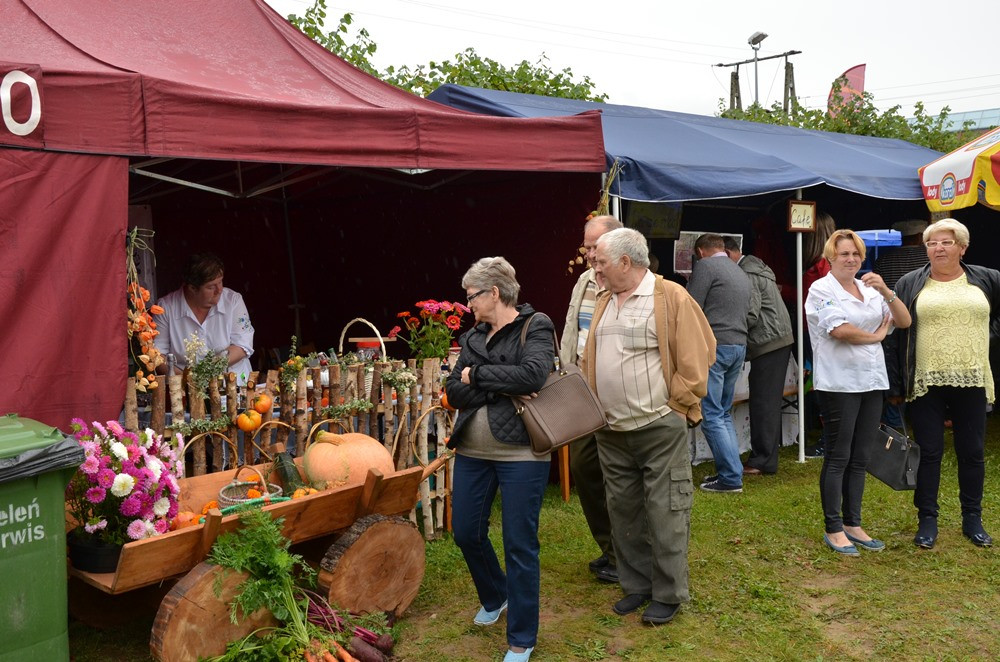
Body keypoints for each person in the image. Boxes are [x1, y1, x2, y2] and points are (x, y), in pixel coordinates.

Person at [583, 228, 715, 625]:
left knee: (666, 510)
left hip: (658, 426)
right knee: (622, 511)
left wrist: (679, 405)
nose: (594, 265)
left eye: (600, 260)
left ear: (625, 262)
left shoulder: (670, 296)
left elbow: (699, 353)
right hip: (611, 430)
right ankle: (636, 586)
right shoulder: (604, 299)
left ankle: (668, 593)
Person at [444, 257, 555, 662]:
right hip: (473, 451)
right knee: (466, 533)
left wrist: (480, 376)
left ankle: (522, 639)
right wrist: (499, 383)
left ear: (494, 292)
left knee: (519, 544)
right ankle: (497, 595)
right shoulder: (473, 335)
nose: (467, 304)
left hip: (522, 454)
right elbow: (454, 391)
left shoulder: (535, 325)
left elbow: (533, 376)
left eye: (471, 296)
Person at [885, 218, 1000, 549]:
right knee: (929, 452)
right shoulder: (911, 282)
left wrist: (986, 337)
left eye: (946, 242)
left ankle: (972, 519)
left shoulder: (987, 278)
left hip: (972, 376)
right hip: (926, 379)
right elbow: (896, 332)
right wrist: (895, 386)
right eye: (932, 243)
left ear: (962, 247)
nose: (938, 248)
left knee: (973, 451)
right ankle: (928, 521)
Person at [806, 229, 911, 556]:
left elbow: (904, 321)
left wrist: (886, 292)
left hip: (872, 380)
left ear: (862, 257)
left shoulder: (870, 289)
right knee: (839, 455)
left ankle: (854, 522)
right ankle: (834, 527)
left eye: (855, 254)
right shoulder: (820, 289)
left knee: (861, 455)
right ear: (830, 258)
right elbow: (840, 331)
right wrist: (878, 336)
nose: (850, 259)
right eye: (843, 254)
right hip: (839, 382)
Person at [558, 214, 622, 584]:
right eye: (586, 246)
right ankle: (610, 548)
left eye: (594, 246)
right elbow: (572, 330)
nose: (588, 253)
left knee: (618, 473)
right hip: (582, 389)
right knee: (584, 468)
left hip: (616, 390)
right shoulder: (584, 281)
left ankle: (626, 552)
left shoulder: (628, 282)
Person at [723, 237, 794, 476]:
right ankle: (765, 457)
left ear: (729, 253)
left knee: (764, 402)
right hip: (775, 339)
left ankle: (762, 460)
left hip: (769, 341)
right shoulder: (755, 267)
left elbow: (750, 314)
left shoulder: (747, 273)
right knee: (767, 401)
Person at [687, 233, 751, 493]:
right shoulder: (739, 270)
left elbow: (691, 307)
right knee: (722, 412)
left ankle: (730, 477)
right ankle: (732, 471)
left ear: (700, 252)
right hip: (738, 345)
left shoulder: (705, 266)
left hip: (715, 346)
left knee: (711, 413)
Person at [153, 252, 254, 385]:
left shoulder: (233, 301)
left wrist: (207, 371)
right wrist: (190, 380)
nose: (219, 290)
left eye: (220, 282)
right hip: (185, 389)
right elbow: (157, 356)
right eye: (211, 287)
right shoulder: (166, 308)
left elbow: (243, 345)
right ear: (192, 288)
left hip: (234, 384)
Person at [874, 219, 930, 428]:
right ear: (919, 237)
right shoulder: (926, 258)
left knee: (895, 368)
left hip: (891, 320)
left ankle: (894, 417)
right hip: (921, 318)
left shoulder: (883, 260)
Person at [802, 212, 838, 458]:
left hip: (818, 334)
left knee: (822, 384)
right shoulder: (825, 265)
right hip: (818, 333)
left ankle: (829, 440)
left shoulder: (821, 267)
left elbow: (809, 298)